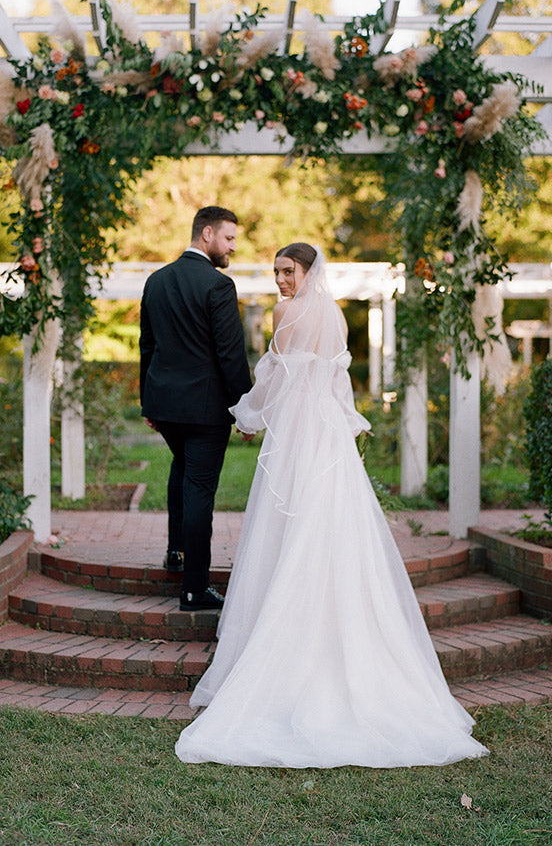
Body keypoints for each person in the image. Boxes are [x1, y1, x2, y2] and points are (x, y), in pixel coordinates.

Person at [175, 242, 489, 768]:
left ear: (307, 272)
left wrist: (246, 413)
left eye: (288, 271)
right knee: (332, 525)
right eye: (277, 272)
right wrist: (350, 423)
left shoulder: (286, 313)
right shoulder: (335, 316)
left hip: (298, 435)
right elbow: (338, 382)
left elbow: (273, 382)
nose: (281, 281)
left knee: (291, 524)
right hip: (328, 436)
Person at [139, 206, 252, 611]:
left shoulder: (155, 281)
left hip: (166, 406)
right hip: (205, 412)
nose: (233, 247)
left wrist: (147, 402)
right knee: (200, 488)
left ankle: (175, 552)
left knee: (182, 469)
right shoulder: (218, 286)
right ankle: (193, 588)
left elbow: (147, 348)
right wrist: (246, 410)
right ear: (207, 234)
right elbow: (231, 355)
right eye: (229, 238)